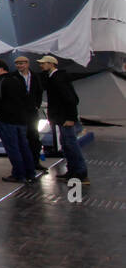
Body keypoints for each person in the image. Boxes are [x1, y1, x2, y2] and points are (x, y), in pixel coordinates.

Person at [38, 55, 89, 185]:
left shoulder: (59, 78)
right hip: (60, 118)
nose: (41, 66)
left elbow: (71, 99)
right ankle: (72, 171)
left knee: (71, 145)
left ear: (51, 64)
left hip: (65, 118)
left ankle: (81, 173)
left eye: (44, 63)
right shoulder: (52, 77)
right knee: (66, 145)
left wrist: (71, 118)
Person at [0, 59, 36, 183]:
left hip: (7, 120)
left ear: (1, 69)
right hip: (21, 119)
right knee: (24, 146)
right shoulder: (18, 79)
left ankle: (19, 174)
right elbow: (27, 98)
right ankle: (30, 172)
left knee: (12, 147)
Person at [11, 56, 47, 175]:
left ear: (27, 64)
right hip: (19, 112)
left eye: (21, 63)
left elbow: (39, 91)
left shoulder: (35, 76)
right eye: (17, 64)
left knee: (34, 137)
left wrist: (36, 105)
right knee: (21, 138)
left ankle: (35, 162)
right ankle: (22, 164)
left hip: (32, 112)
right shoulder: (13, 77)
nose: (19, 66)